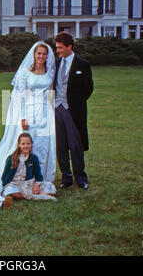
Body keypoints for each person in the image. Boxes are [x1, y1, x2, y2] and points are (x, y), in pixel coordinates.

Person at [0, 41, 56, 183]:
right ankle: (20, 176)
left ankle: (40, 177)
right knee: (26, 144)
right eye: (39, 53)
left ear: (47, 56)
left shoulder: (50, 73)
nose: (41, 56)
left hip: (45, 114)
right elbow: (20, 97)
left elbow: (51, 94)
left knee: (43, 145)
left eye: (44, 54)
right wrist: (23, 117)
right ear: (34, 55)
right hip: (29, 112)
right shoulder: (24, 73)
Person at [53, 31, 94, 190]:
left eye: (60, 48)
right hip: (57, 109)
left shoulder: (82, 64)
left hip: (73, 111)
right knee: (61, 146)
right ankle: (66, 178)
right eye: (57, 48)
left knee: (76, 145)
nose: (58, 51)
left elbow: (88, 89)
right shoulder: (55, 64)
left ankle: (81, 178)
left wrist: (75, 103)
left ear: (70, 46)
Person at [1, 133, 57, 201]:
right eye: (23, 144)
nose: (26, 146)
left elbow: (38, 175)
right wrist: (2, 187)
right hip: (14, 184)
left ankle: (26, 196)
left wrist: (36, 185)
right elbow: (4, 175)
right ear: (19, 145)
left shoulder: (33, 158)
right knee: (9, 191)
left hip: (27, 183)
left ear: (31, 144)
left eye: (28, 143)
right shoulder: (11, 158)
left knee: (50, 186)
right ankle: (32, 196)